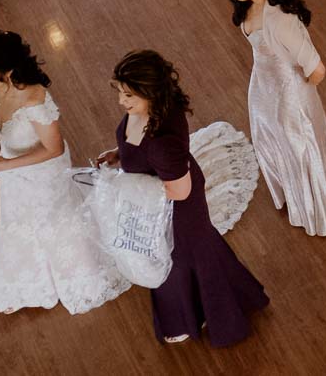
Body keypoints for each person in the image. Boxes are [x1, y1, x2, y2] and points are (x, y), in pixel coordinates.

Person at [98, 51, 268, 346]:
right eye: (121, 93)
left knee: (174, 260)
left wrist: (125, 188)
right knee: (191, 255)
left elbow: (179, 191)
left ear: (150, 93)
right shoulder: (146, 110)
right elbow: (136, 146)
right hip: (160, 198)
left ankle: (190, 318)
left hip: (177, 211)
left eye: (129, 95)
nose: (121, 101)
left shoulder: (164, 143)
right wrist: (118, 155)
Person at [0, 31, 127, 315]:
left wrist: (2, 165)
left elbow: (52, 149)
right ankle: (24, 271)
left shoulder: (34, 98)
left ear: (9, 72)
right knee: (18, 217)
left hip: (42, 171)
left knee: (52, 219)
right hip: (12, 169)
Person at [228, 0, 326, 237]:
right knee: (269, 140)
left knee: (297, 147)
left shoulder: (282, 21)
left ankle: (311, 202)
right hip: (262, 87)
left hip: (288, 94)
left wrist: (298, 93)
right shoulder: (247, 7)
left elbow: (317, 70)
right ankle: (289, 188)